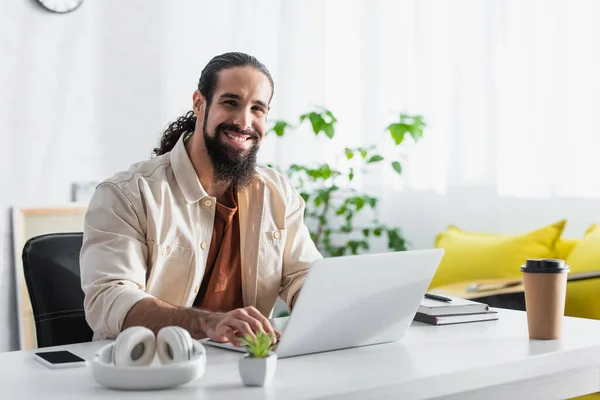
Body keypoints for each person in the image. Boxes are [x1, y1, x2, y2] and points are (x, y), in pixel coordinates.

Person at [80, 52, 322, 346]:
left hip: (244, 367)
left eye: (257, 108)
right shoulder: (127, 194)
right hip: (146, 366)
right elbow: (110, 300)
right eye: (231, 102)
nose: (244, 121)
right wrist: (207, 322)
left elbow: (302, 273)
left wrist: (313, 297)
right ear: (199, 103)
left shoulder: (277, 192)